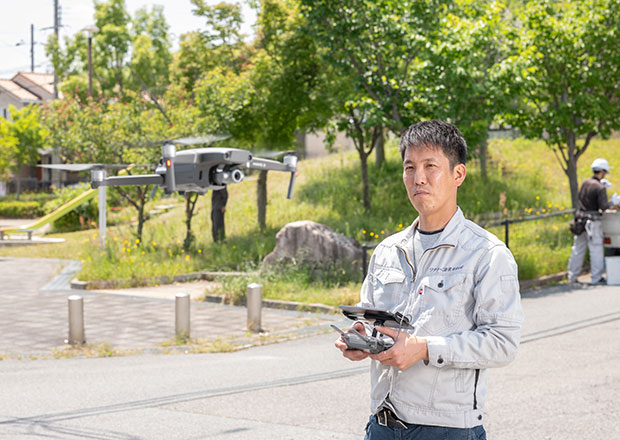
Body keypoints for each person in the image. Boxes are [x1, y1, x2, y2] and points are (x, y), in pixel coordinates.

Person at [335, 120, 523, 440]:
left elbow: (503, 343)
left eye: (430, 165)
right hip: (381, 424)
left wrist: (424, 349)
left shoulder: (487, 254)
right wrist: (360, 339)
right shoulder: (386, 251)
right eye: (410, 167)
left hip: (446, 429)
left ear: (458, 174)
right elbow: (371, 317)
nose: (418, 178)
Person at [567, 158, 616, 284]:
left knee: (578, 249)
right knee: (596, 250)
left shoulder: (585, 182)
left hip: (580, 221)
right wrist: (613, 202)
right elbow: (604, 206)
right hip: (593, 222)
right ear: (603, 172)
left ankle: (572, 276)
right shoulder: (600, 187)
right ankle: (596, 277)